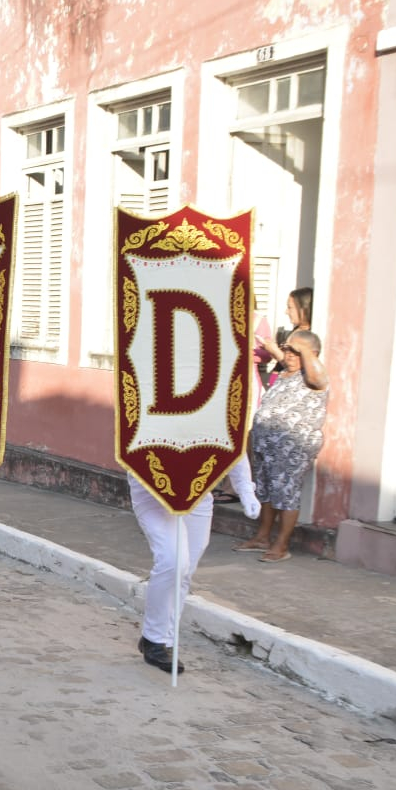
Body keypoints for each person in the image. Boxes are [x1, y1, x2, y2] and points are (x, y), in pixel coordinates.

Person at [130, 462, 260, 674]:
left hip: (198, 490)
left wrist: (245, 489)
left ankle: (165, 640)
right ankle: (154, 639)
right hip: (152, 490)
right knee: (173, 561)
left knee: (185, 571)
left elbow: (234, 446)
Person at [235, 330, 330, 564]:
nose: (288, 354)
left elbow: (319, 378)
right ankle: (262, 537)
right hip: (266, 444)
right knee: (266, 491)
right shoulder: (287, 373)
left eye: (295, 351)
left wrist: (303, 349)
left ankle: (282, 544)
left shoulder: (314, 377)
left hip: (292, 447)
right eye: (287, 349)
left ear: (311, 353)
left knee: (286, 494)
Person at [257, 287, 313, 381]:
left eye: (290, 308)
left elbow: (296, 367)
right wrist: (270, 349)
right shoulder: (297, 330)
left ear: (303, 309)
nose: (286, 312)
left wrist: (276, 351)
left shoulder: (309, 336)